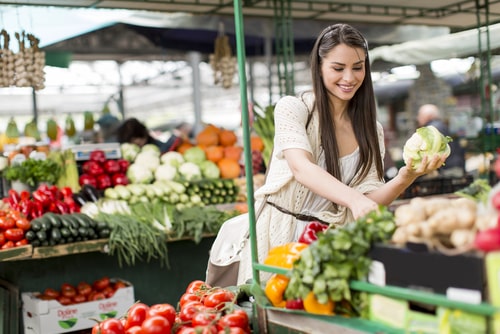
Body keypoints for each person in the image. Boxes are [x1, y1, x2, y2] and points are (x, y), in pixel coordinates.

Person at [229, 23, 447, 286]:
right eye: (337, 68)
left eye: (357, 67)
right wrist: (355, 201)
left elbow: (369, 201)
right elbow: (301, 167)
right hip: (278, 241)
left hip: (330, 247)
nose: (349, 78)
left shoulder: (371, 130)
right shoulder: (293, 109)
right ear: (319, 66)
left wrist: (406, 176)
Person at [417, 104, 466, 177]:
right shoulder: (441, 125)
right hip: (455, 165)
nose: (418, 118)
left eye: (419, 115)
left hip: (448, 170)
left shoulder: (432, 129)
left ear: (428, 116)